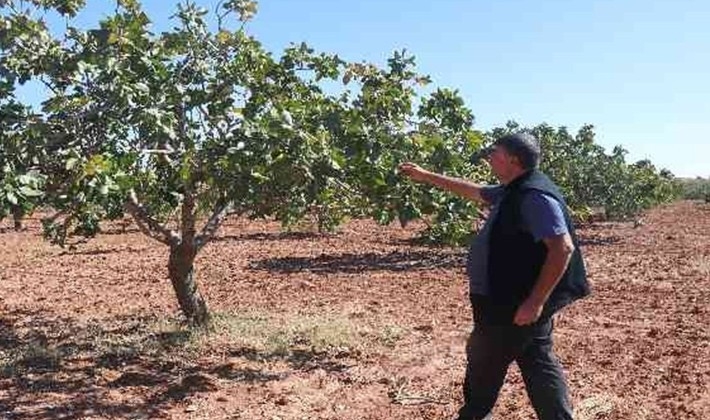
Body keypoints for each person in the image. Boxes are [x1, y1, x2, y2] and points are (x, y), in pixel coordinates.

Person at [399, 132, 590, 420]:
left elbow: (562, 248)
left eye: (494, 152)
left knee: (483, 368)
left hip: (510, 305)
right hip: (508, 301)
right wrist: (426, 176)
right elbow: (474, 191)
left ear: (513, 159)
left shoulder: (533, 196)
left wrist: (535, 302)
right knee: (537, 361)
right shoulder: (513, 189)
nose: (489, 156)